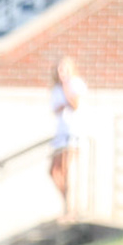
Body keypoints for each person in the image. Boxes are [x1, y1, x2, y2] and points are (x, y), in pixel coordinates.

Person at [48, 56, 89, 213]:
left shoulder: (75, 84)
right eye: (59, 69)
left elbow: (75, 105)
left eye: (64, 68)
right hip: (61, 135)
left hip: (73, 135)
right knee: (54, 171)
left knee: (65, 170)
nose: (61, 72)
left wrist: (66, 86)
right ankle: (68, 204)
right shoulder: (55, 89)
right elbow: (56, 109)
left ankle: (70, 208)